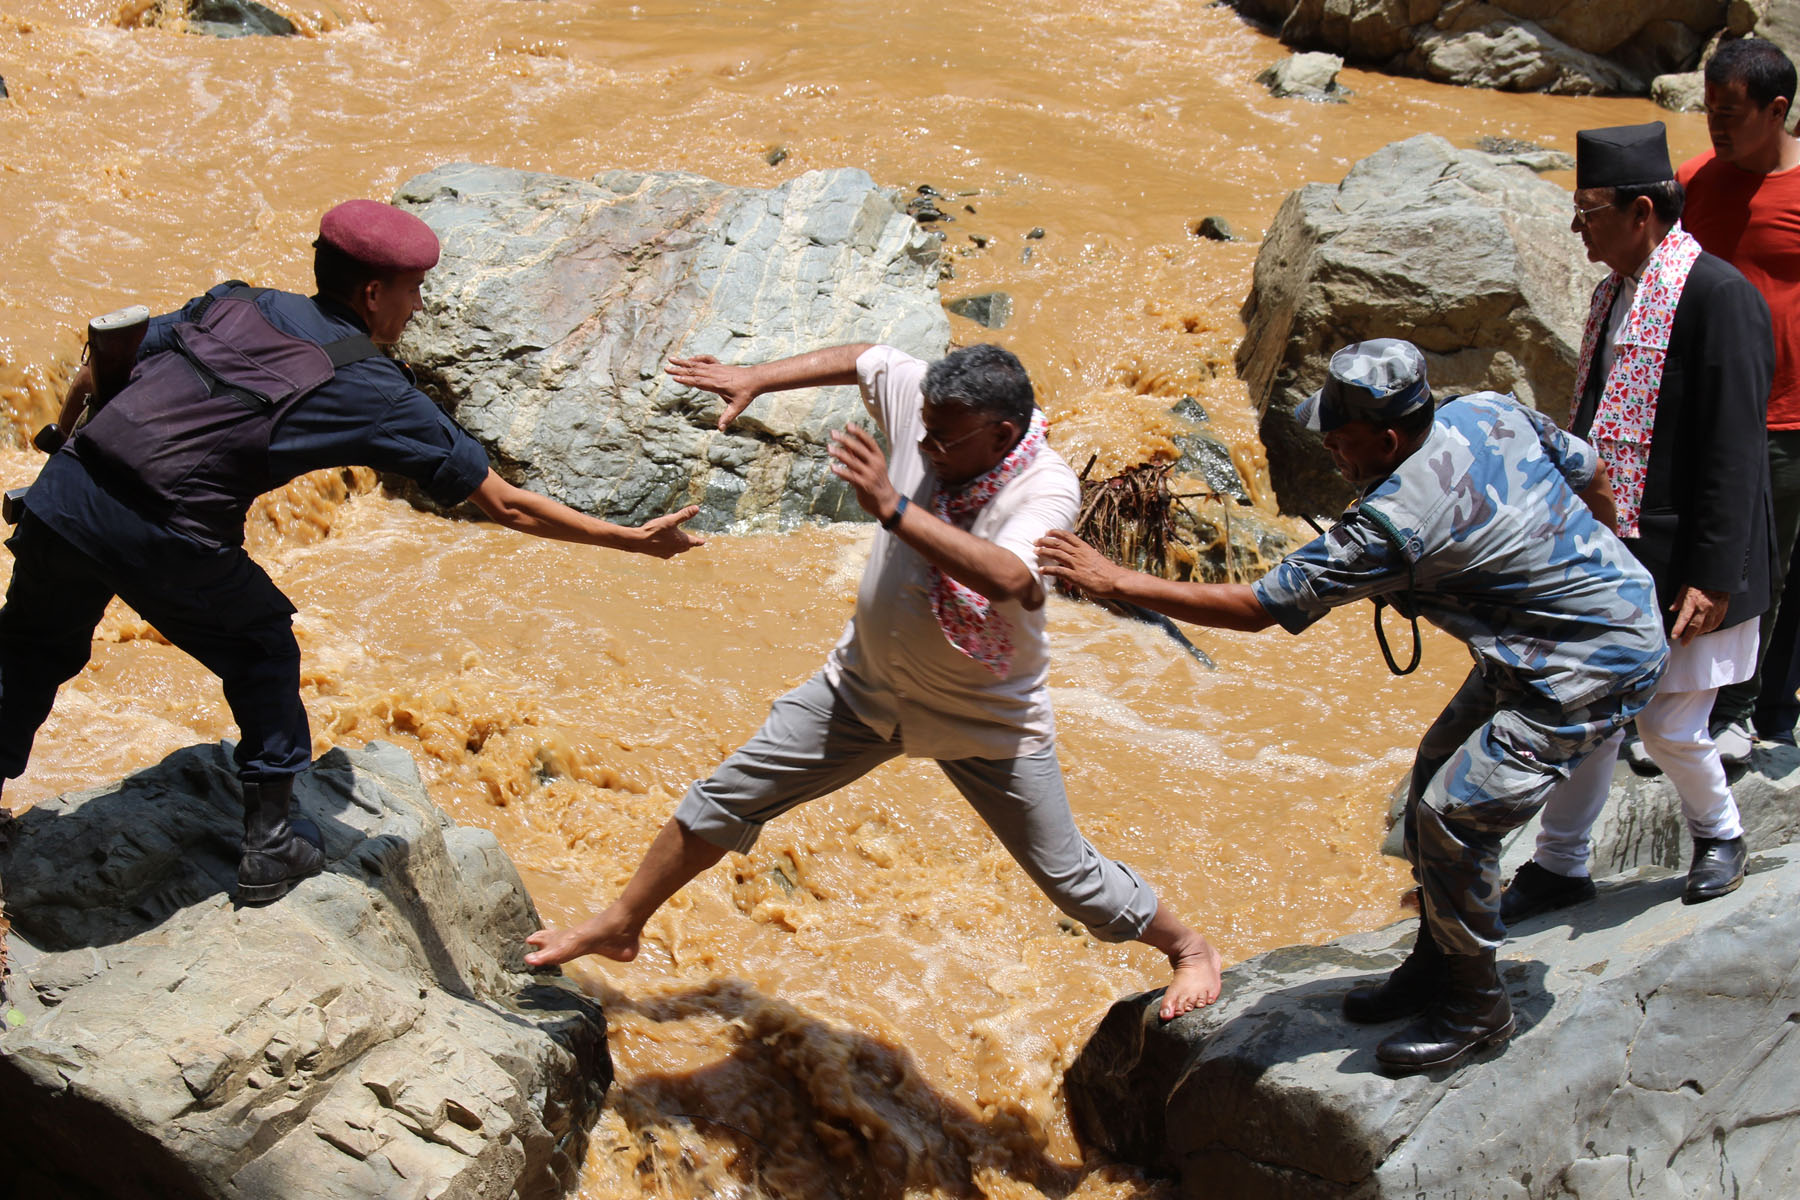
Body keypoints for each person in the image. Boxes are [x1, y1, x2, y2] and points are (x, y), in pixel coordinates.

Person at [0, 199, 704, 901]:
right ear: (374, 293)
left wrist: (61, 439)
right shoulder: (373, 387)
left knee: (28, 651)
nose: (419, 307)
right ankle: (272, 843)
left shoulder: (241, 302)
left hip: (63, 496)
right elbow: (504, 503)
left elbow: (100, 365)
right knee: (263, 645)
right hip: (166, 533)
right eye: (414, 290)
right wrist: (630, 540)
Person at [524, 341, 1225, 1019]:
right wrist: (757, 378)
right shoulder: (935, 413)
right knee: (723, 797)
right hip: (862, 688)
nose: (924, 450)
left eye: (943, 443)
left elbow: (1011, 576)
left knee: (1071, 880)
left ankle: (1189, 946)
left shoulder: (1044, 487)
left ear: (1002, 433)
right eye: (922, 433)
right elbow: (869, 357)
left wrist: (894, 507)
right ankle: (619, 925)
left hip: (982, 715)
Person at [1036, 338, 1667, 1073]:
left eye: (1339, 439)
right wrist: (1596, 565)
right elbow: (1593, 476)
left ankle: (1475, 1006)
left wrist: (1115, 582)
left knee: (1453, 817)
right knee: (1432, 772)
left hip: (1590, 664)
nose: (1330, 449)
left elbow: (1257, 606)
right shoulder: (1489, 410)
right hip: (1551, 637)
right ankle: (1437, 960)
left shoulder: (1394, 521)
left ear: (1390, 439)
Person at [1501, 122, 1776, 922]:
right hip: (1614, 551)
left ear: (1643, 210)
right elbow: (1591, 425)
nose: (1578, 231)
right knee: (1589, 711)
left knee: (1667, 724)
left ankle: (1720, 834)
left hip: (1688, 556)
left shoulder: (1719, 297)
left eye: (1589, 212)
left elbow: (1734, 450)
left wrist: (1713, 577)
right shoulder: (1612, 295)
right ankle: (1560, 862)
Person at [1678, 39, 1800, 760]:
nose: (1716, 126)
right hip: (1706, 409)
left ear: (1776, 109)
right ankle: (1689, 702)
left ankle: (1742, 709)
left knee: (1766, 564)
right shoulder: (1694, 181)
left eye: (1730, 113)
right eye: (1709, 110)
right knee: (1702, 552)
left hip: (1789, 417)